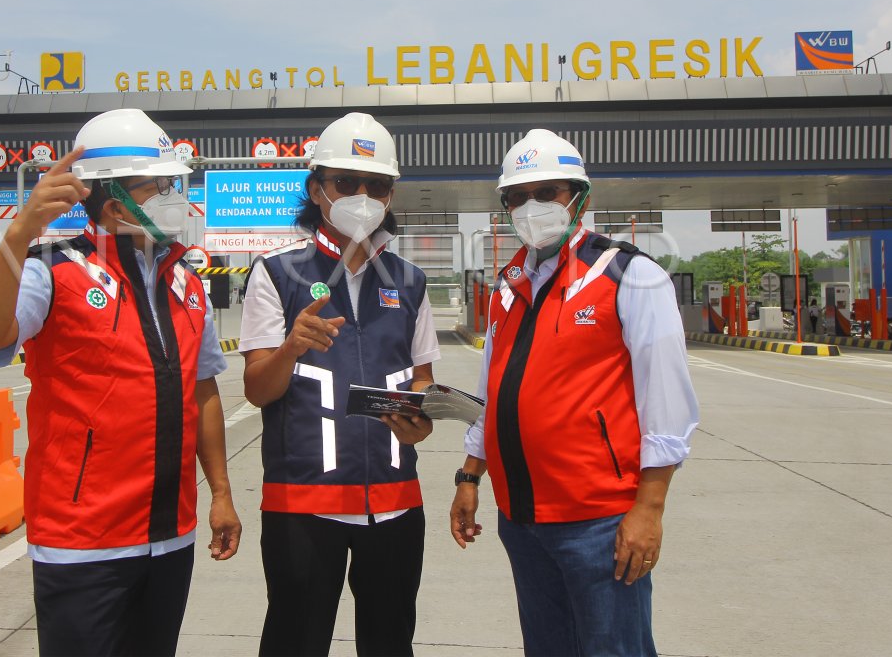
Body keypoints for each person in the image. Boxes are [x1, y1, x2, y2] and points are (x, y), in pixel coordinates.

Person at [0, 109, 241, 657]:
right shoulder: (51, 271)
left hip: (171, 535)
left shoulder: (187, 281)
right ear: (114, 203)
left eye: (173, 183)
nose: (173, 195)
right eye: (159, 186)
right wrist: (19, 232)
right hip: (82, 543)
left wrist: (222, 496)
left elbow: (202, 390)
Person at [449, 128, 699, 657]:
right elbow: (490, 391)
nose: (532, 206)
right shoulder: (509, 286)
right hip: (521, 518)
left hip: (599, 520)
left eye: (548, 193)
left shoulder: (630, 275)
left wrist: (648, 509)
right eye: (518, 196)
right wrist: (470, 476)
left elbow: (668, 406)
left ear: (580, 197)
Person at [240, 112, 440, 657]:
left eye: (376, 184)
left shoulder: (410, 280)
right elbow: (257, 388)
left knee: (391, 642)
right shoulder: (277, 274)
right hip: (303, 505)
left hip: (396, 505)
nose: (362, 195)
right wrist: (290, 347)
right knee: (294, 642)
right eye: (346, 183)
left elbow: (423, 382)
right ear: (316, 189)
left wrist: (420, 421)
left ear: (391, 194)